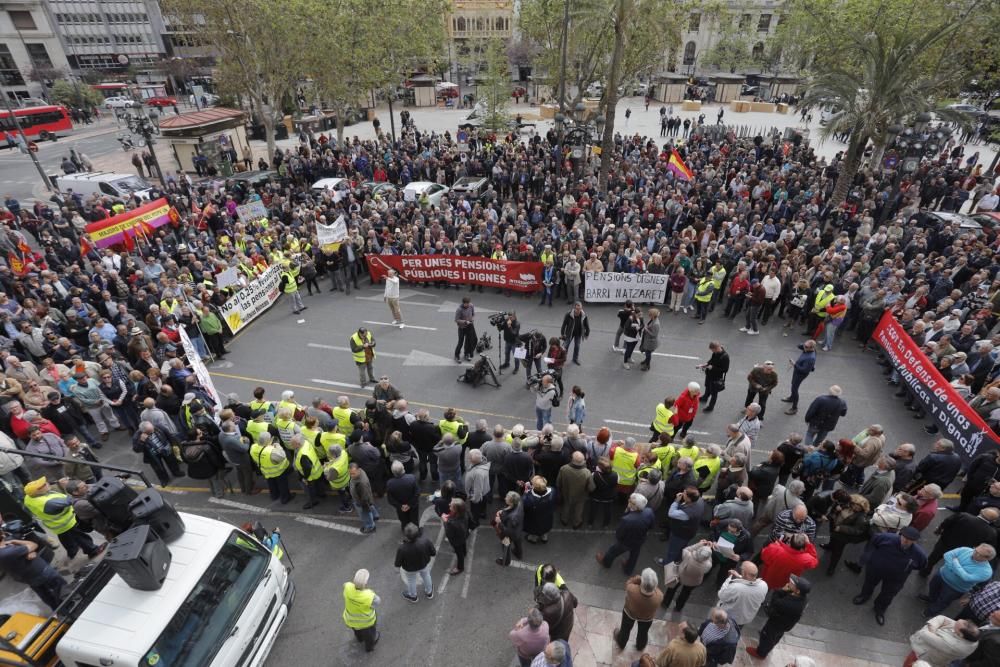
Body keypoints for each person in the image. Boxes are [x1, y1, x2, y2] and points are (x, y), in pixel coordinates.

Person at [853, 526, 927, 626]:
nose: (905, 541)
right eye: (904, 537)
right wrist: (870, 558)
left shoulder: (919, 554)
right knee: (869, 583)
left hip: (896, 578)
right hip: (876, 569)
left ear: (914, 541)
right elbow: (873, 543)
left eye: (910, 540)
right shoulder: (886, 538)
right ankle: (864, 596)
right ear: (901, 535)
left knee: (888, 594)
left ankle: (879, 609)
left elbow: (921, 565)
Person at [23, 477, 106, 560]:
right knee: (81, 537)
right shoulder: (49, 502)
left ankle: (72, 552)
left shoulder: (29, 497)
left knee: (65, 538)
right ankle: (93, 551)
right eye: (43, 485)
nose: (47, 483)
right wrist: (66, 487)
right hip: (67, 523)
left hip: (56, 525)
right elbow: (71, 500)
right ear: (38, 492)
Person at [0, 517, 66, 610]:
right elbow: (33, 545)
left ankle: (59, 610)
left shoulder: (7, 549)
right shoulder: (7, 551)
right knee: (61, 588)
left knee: (45, 594)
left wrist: (27, 551)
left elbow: (22, 552)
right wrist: (17, 543)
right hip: (40, 572)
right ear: (2, 535)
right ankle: (69, 605)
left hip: (26, 577)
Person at [920, 543, 996, 617]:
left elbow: (966, 577)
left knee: (943, 601)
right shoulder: (966, 550)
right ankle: (931, 599)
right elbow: (947, 555)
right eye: (976, 550)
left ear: (987, 559)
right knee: (933, 588)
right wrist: (955, 569)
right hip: (941, 575)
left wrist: (955, 562)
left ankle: (931, 611)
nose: (975, 554)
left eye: (980, 554)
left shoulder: (986, 572)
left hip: (954, 588)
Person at [746, 575, 810, 660]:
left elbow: (775, 602)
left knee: (767, 636)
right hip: (785, 624)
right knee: (775, 636)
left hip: (776, 623)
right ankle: (769, 645)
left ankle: (761, 653)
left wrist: (781, 590)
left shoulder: (789, 604)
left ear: (797, 591)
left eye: (793, 584)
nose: (789, 583)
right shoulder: (803, 598)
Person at [921, 507, 999, 576]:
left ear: (981, 511)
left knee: (932, 558)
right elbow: (986, 546)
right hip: (962, 553)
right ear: (994, 520)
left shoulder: (963, 516)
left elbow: (947, 522)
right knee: (953, 565)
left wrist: (939, 530)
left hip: (945, 543)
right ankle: (944, 576)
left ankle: (925, 571)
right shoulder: (991, 532)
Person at [595, 493, 655, 575]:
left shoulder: (627, 519)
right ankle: (628, 570)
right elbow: (651, 526)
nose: (628, 501)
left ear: (635, 506)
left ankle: (606, 563)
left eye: (630, 501)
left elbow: (619, 534)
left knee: (612, 551)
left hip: (625, 543)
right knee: (634, 556)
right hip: (640, 540)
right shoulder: (649, 511)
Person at [615, 568, 663, 651]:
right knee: (643, 632)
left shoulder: (632, 590)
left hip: (630, 613)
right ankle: (640, 645)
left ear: (642, 582)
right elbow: (656, 589)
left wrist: (637, 578)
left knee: (625, 629)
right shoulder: (659, 596)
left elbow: (628, 583)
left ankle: (621, 643)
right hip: (647, 617)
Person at [905, 616, 980, 667]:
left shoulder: (952, 645)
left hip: (922, 656)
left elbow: (922, 633)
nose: (954, 623)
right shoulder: (970, 636)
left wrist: (931, 627)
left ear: (960, 635)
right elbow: (942, 617)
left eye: (956, 626)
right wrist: (933, 630)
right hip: (930, 654)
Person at [660, 541, 713, 612]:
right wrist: (709, 549)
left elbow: (686, 549)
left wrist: (699, 544)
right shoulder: (707, 565)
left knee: (672, 589)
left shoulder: (688, 556)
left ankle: (665, 603)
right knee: (685, 593)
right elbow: (708, 560)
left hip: (681, 575)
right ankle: (678, 607)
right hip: (693, 582)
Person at [716, 560, 768, 628]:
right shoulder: (764, 585)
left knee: (721, 631)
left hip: (729, 618)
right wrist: (740, 576)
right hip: (745, 618)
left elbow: (721, 595)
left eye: (741, 568)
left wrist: (728, 579)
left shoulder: (736, 587)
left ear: (744, 572)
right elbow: (749, 580)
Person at [394, 522, 436, 602]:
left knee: (411, 581)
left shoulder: (402, 548)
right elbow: (433, 553)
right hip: (423, 565)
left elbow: (398, 563)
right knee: (426, 576)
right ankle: (429, 592)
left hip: (409, 569)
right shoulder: (425, 541)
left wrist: (397, 570)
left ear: (406, 536)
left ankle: (413, 596)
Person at [342, 569, 380, 652]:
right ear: (365, 583)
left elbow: (345, 585)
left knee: (357, 630)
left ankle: (360, 638)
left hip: (350, 619)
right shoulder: (369, 595)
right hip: (366, 621)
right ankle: (369, 647)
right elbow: (377, 602)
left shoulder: (348, 587)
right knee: (369, 634)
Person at [249, 432, 292, 505]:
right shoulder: (271, 451)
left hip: (266, 471)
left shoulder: (253, 447)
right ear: (268, 440)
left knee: (271, 483)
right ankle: (285, 498)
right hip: (278, 471)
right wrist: (278, 446)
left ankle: (274, 496)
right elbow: (282, 456)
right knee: (282, 485)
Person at [556, 451, 592, 529]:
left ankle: (564, 519)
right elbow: (591, 487)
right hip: (581, 495)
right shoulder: (587, 472)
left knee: (566, 505)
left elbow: (558, 482)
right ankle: (577, 522)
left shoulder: (564, 468)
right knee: (579, 509)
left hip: (567, 492)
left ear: (572, 459)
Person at [781, 340, 817, 415]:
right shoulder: (807, 349)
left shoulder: (811, 358)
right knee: (793, 384)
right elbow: (798, 345)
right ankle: (791, 398)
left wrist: (794, 364)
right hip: (797, 371)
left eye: (806, 347)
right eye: (804, 345)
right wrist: (804, 344)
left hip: (800, 374)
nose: (804, 347)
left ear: (812, 348)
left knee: (794, 389)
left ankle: (794, 408)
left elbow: (804, 370)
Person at [386, 460, 420, 529]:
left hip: (401, 508)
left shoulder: (390, 483)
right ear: (403, 469)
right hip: (413, 505)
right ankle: (415, 533)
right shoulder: (411, 478)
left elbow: (390, 499)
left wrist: (401, 506)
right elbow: (417, 493)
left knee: (404, 521)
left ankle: (406, 532)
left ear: (393, 472)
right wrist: (409, 504)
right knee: (414, 520)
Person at [523, 475, 556, 544]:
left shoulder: (530, 498)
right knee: (545, 526)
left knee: (534, 529)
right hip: (547, 516)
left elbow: (524, 505)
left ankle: (533, 539)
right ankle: (544, 537)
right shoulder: (552, 491)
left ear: (534, 487)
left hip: (534, 518)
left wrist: (526, 492)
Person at [349, 463, 380, 534]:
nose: (351, 476)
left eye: (353, 473)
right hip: (367, 498)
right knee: (371, 506)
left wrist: (364, 507)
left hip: (362, 502)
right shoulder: (361, 471)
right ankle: (375, 516)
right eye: (350, 474)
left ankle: (370, 526)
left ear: (358, 470)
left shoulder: (361, 483)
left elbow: (364, 498)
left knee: (365, 514)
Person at [496, 490, 525, 566]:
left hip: (509, 535)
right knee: (518, 542)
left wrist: (499, 522)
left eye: (507, 498)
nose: (505, 498)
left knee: (506, 546)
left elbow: (507, 531)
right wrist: (503, 511)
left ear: (511, 503)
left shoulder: (512, 517)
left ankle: (506, 561)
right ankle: (519, 554)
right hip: (518, 530)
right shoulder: (519, 503)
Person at [698, 341, 729, 412]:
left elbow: (725, 370)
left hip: (716, 378)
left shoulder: (725, 357)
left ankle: (710, 407)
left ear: (716, 348)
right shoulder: (715, 353)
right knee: (707, 386)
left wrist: (713, 368)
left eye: (712, 350)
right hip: (709, 375)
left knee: (714, 393)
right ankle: (705, 397)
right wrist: (705, 364)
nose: (712, 351)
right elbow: (711, 360)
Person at [444, 498, 470, 574]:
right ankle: (464, 553)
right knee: (463, 545)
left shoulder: (452, 523)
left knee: (459, 553)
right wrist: (449, 517)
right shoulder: (464, 513)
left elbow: (449, 534)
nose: (449, 505)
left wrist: (445, 522)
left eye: (451, 506)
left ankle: (460, 568)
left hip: (456, 540)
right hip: (464, 535)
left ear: (455, 510)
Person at [454, 297, 476, 362]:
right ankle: (457, 355)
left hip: (469, 326)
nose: (468, 305)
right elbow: (456, 320)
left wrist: (472, 318)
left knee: (468, 341)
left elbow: (473, 314)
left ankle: (466, 353)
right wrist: (465, 322)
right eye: (467, 304)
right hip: (462, 328)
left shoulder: (471, 305)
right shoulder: (459, 309)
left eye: (468, 303)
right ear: (463, 303)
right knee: (460, 342)